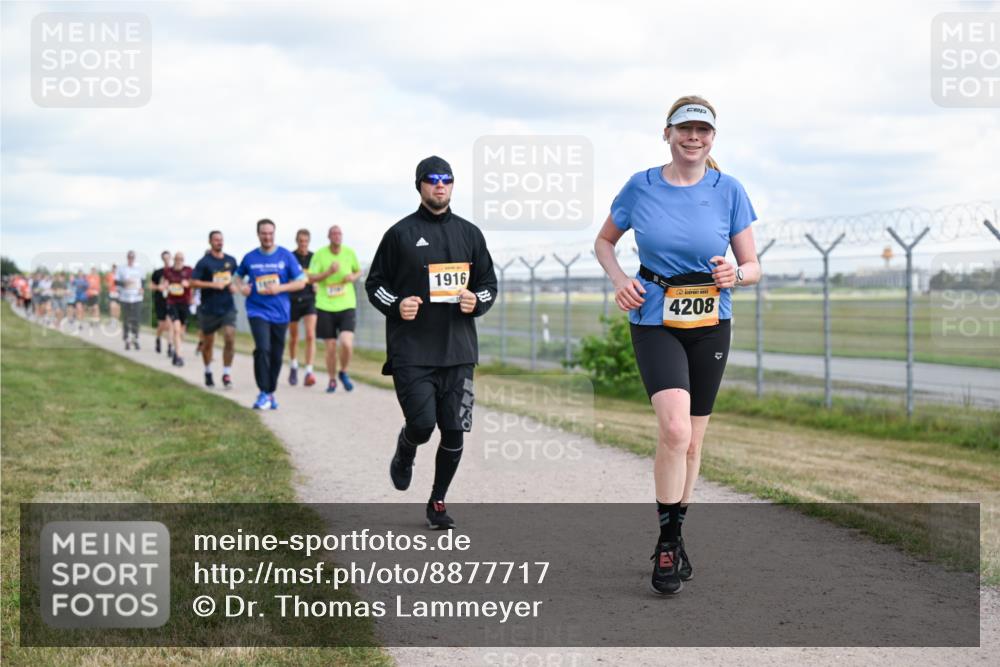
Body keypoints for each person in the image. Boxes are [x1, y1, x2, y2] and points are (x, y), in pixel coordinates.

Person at [594, 96, 760, 595]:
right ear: (667, 133)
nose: (694, 137)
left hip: (711, 320)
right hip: (654, 316)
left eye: (703, 131)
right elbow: (604, 241)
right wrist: (620, 278)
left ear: (713, 138)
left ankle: (678, 532)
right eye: (685, 129)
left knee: (694, 438)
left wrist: (737, 272)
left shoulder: (728, 189)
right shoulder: (640, 186)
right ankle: (666, 543)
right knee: (673, 429)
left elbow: (753, 267)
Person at [365, 156, 497, 530]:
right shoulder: (399, 235)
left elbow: (488, 285)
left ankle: (437, 502)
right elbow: (375, 285)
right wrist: (397, 304)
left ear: (453, 186)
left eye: (447, 179)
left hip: (459, 352)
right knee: (423, 425)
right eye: (432, 179)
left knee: (455, 429)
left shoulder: (470, 234)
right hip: (412, 351)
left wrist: (477, 302)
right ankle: (406, 449)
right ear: (420, 186)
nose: (440, 185)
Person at [233, 219, 308, 410]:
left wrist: (280, 288)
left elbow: (301, 281)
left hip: (281, 313)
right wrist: (242, 288)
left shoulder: (285, 256)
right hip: (257, 310)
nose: (267, 237)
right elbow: (236, 277)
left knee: (276, 354)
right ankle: (263, 392)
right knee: (262, 348)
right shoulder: (250, 257)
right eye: (264, 233)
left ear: (274, 234)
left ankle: (270, 392)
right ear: (258, 234)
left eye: (270, 233)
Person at [309, 225, 361, 393]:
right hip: (325, 305)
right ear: (328, 236)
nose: (337, 236)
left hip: (346, 304)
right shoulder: (320, 254)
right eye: (334, 233)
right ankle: (332, 380)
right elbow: (311, 278)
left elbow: (359, 271)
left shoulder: (349, 252)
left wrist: (352, 276)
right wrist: (328, 272)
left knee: (346, 342)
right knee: (330, 346)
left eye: (339, 233)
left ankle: (343, 372)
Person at [190, 231, 239, 389]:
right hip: (209, 308)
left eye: (221, 239)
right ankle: (208, 371)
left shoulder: (230, 261)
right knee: (208, 343)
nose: (219, 242)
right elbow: (193, 282)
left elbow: (237, 278)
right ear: (210, 242)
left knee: (230, 337)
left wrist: (234, 286)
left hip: (227, 307)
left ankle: (226, 373)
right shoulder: (204, 262)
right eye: (216, 240)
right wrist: (212, 285)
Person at [286, 228, 318, 387]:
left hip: (309, 300)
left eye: (306, 241)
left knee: (311, 335)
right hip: (292, 299)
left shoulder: (314, 258)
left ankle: (309, 371)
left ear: (309, 241)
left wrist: (317, 283)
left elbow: (318, 275)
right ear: (296, 241)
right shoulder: (290, 257)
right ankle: (293, 366)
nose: (303, 244)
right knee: (294, 337)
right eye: (301, 241)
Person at [162, 252, 193, 367]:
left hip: (184, 303)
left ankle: (176, 350)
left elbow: (193, 283)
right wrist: (164, 286)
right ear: (174, 259)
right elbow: (164, 283)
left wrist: (188, 284)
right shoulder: (168, 271)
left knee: (182, 331)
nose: (179, 261)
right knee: (176, 328)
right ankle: (179, 356)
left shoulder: (189, 270)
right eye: (177, 259)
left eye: (181, 259)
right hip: (172, 302)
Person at [116, 251, 145, 350]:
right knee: (127, 319)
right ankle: (127, 338)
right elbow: (116, 282)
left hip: (137, 297)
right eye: (129, 257)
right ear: (127, 258)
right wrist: (124, 283)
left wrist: (142, 289)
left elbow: (143, 281)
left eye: (132, 257)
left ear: (134, 258)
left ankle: (135, 338)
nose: (131, 259)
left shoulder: (139, 268)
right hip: (125, 297)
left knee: (136, 319)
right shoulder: (122, 269)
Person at [150, 251, 172, 355]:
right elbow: (151, 286)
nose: (167, 260)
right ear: (162, 259)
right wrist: (158, 287)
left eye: (168, 258)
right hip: (160, 300)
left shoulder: (174, 272)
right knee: (162, 325)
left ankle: (170, 346)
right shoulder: (158, 272)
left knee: (170, 324)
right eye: (165, 258)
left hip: (172, 301)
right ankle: (158, 338)